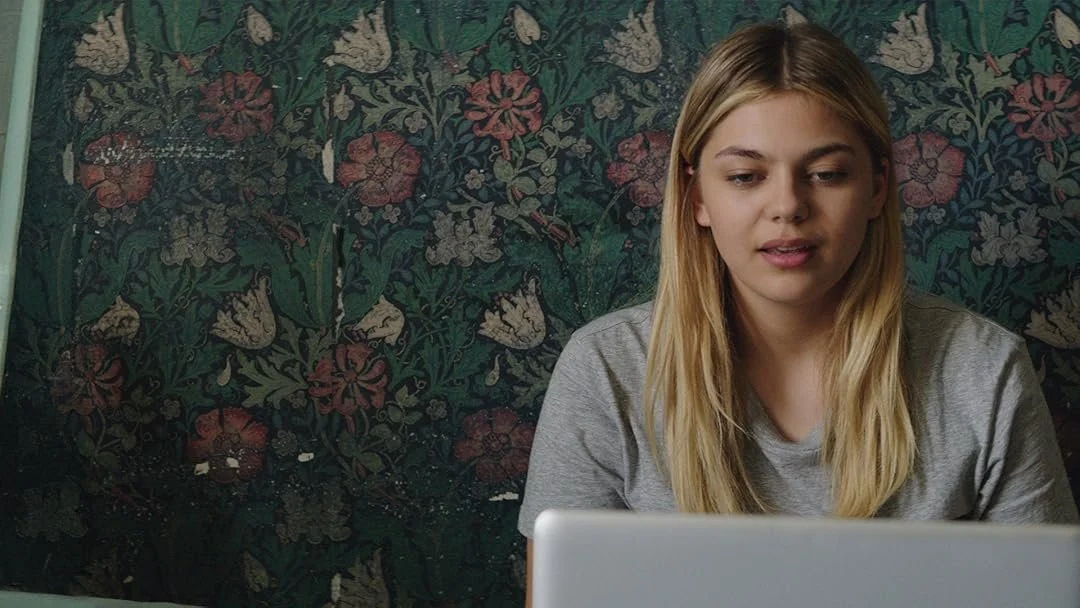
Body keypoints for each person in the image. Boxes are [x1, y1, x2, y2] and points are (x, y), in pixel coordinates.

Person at [517, 19, 1078, 605]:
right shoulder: (606, 371)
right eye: (745, 176)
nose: (787, 206)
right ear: (697, 197)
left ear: (878, 187)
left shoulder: (984, 373)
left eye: (826, 174)